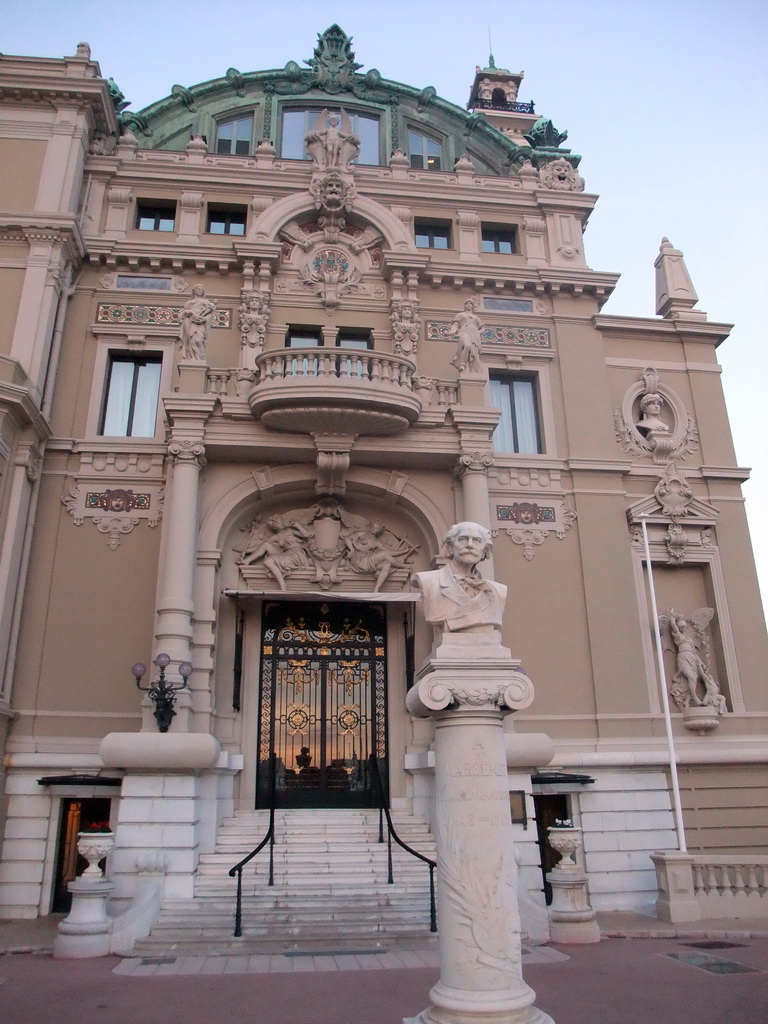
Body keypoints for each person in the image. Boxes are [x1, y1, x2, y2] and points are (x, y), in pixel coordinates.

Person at [412, 522, 506, 634]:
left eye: (477, 540)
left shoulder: (498, 591)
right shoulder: (428, 581)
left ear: (484, 551)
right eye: (463, 539)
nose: (470, 545)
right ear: (450, 548)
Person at [178, 286, 216, 361]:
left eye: (202, 290)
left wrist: (204, 319)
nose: (200, 291)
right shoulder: (189, 302)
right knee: (189, 340)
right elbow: (182, 314)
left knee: (198, 340)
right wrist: (187, 312)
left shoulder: (205, 302)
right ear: (194, 290)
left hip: (199, 323)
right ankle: (192, 357)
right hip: (189, 321)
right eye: (198, 289)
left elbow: (210, 314)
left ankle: (201, 359)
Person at [448, 299, 484, 374]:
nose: (468, 304)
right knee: (467, 345)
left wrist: (477, 333)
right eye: (466, 303)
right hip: (464, 332)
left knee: (473, 352)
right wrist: (450, 332)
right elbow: (455, 325)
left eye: (470, 303)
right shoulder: (460, 315)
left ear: (473, 306)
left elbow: (483, 329)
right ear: (464, 306)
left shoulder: (476, 317)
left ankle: (469, 368)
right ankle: (462, 364)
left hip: (474, 334)